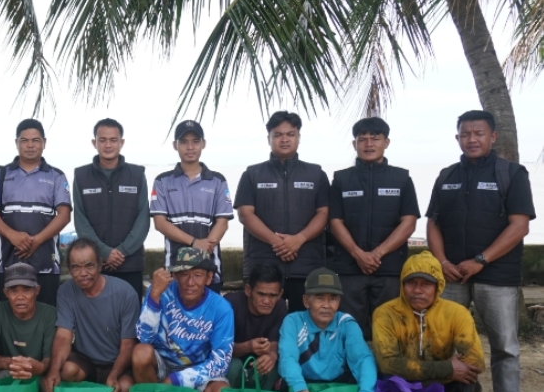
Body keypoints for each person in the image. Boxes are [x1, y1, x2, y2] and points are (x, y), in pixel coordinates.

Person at [426, 109, 536, 392]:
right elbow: (433, 223)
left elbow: (520, 226)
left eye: (479, 133)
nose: (471, 139)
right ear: (457, 137)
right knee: (440, 343)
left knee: (505, 346)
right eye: (465, 134)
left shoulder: (512, 174)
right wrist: (442, 261)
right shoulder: (447, 175)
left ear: (493, 137)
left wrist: (481, 260)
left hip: (496, 276)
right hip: (452, 276)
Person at [373, 251, 486, 392]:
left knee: (469, 384)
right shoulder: (385, 313)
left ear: (438, 286)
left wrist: (437, 372)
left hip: (436, 383)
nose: (417, 290)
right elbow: (388, 363)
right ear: (402, 285)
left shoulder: (456, 313)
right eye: (411, 283)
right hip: (399, 382)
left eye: (426, 284)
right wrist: (447, 368)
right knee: (386, 379)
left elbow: (475, 362)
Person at [329, 116, 420, 340]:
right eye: (362, 139)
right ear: (355, 144)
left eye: (375, 138)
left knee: (390, 331)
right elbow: (334, 221)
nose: (368, 144)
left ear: (386, 142)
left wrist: (377, 254)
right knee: (350, 332)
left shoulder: (402, 178)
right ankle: (354, 365)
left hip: (389, 270)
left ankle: (388, 365)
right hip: (350, 270)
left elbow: (409, 222)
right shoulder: (341, 179)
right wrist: (358, 254)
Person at [234, 111, 329, 312]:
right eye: (278, 135)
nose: (284, 139)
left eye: (290, 134)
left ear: (298, 137)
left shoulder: (316, 174)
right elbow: (245, 214)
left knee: (305, 325)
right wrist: (277, 242)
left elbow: (324, 213)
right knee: (263, 325)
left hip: (306, 266)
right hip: (263, 267)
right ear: (269, 138)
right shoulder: (252, 174)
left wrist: (299, 239)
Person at [43, 238, 139, 392]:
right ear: (69, 269)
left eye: (89, 265)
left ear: (100, 265)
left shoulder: (125, 293)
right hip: (85, 361)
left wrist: (114, 374)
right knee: (66, 370)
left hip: (115, 362)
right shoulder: (66, 291)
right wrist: (53, 370)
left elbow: (128, 344)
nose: (83, 273)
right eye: (76, 267)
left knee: (126, 389)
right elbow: (63, 335)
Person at [132, 247, 234, 392]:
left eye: (198, 275)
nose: (190, 282)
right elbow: (144, 338)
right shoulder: (160, 291)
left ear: (208, 278)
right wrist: (154, 296)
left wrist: (176, 380)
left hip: (199, 369)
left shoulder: (221, 308)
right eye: (184, 274)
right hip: (162, 365)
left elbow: (220, 362)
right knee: (140, 353)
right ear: (175, 276)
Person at [0, 119, 72, 306]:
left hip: (46, 263)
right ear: (16, 143)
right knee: (8, 315)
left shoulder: (56, 176)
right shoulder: (1, 174)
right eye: (24, 140)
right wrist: (12, 236)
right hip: (7, 261)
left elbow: (64, 215)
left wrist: (36, 241)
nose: (30, 145)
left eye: (36, 140)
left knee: (46, 313)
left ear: (44, 143)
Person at [278, 268, 376, 392]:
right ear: (306, 301)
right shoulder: (293, 321)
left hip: (337, 387)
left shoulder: (346, 323)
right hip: (304, 383)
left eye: (333, 298)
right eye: (319, 298)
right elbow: (287, 358)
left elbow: (363, 359)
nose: (326, 305)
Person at [150, 119, 234, 291]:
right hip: (174, 270)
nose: (190, 147)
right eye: (184, 142)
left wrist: (205, 247)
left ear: (203, 144)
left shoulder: (218, 181)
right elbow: (160, 223)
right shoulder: (162, 181)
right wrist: (194, 242)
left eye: (195, 141)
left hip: (209, 271)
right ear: (175, 145)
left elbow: (222, 222)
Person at [72, 118, 150, 298]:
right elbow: (80, 220)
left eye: (113, 140)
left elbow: (143, 218)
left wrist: (122, 251)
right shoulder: (81, 176)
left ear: (121, 142)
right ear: (94, 143)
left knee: (129, 313)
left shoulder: (137, 175)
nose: (108, 145)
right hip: (94, 265)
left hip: (130, 264)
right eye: (103, 140)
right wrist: (104, 252)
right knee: (94, 314)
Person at [0, 263, 57, 380]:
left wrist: (40, 367)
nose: (20, 297)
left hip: (38, 374)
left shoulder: (49, 313)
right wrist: (12, 363)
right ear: (6, 293)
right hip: (7, 371)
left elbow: (49, 358)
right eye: (14, 291)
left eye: (27, 290)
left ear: (37, 290)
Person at [224, 264, 287, 392]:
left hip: (257, 366)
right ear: (248, 290)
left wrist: (271, 355)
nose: (267, 301)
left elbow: (274, 342)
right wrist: (248, 346)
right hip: (231, 362)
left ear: (280, 294)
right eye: (261, 294)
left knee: (272, 366)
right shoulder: (230, 303)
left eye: (272, 295)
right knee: (233, 366)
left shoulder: (280, 307)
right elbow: (218, 349)